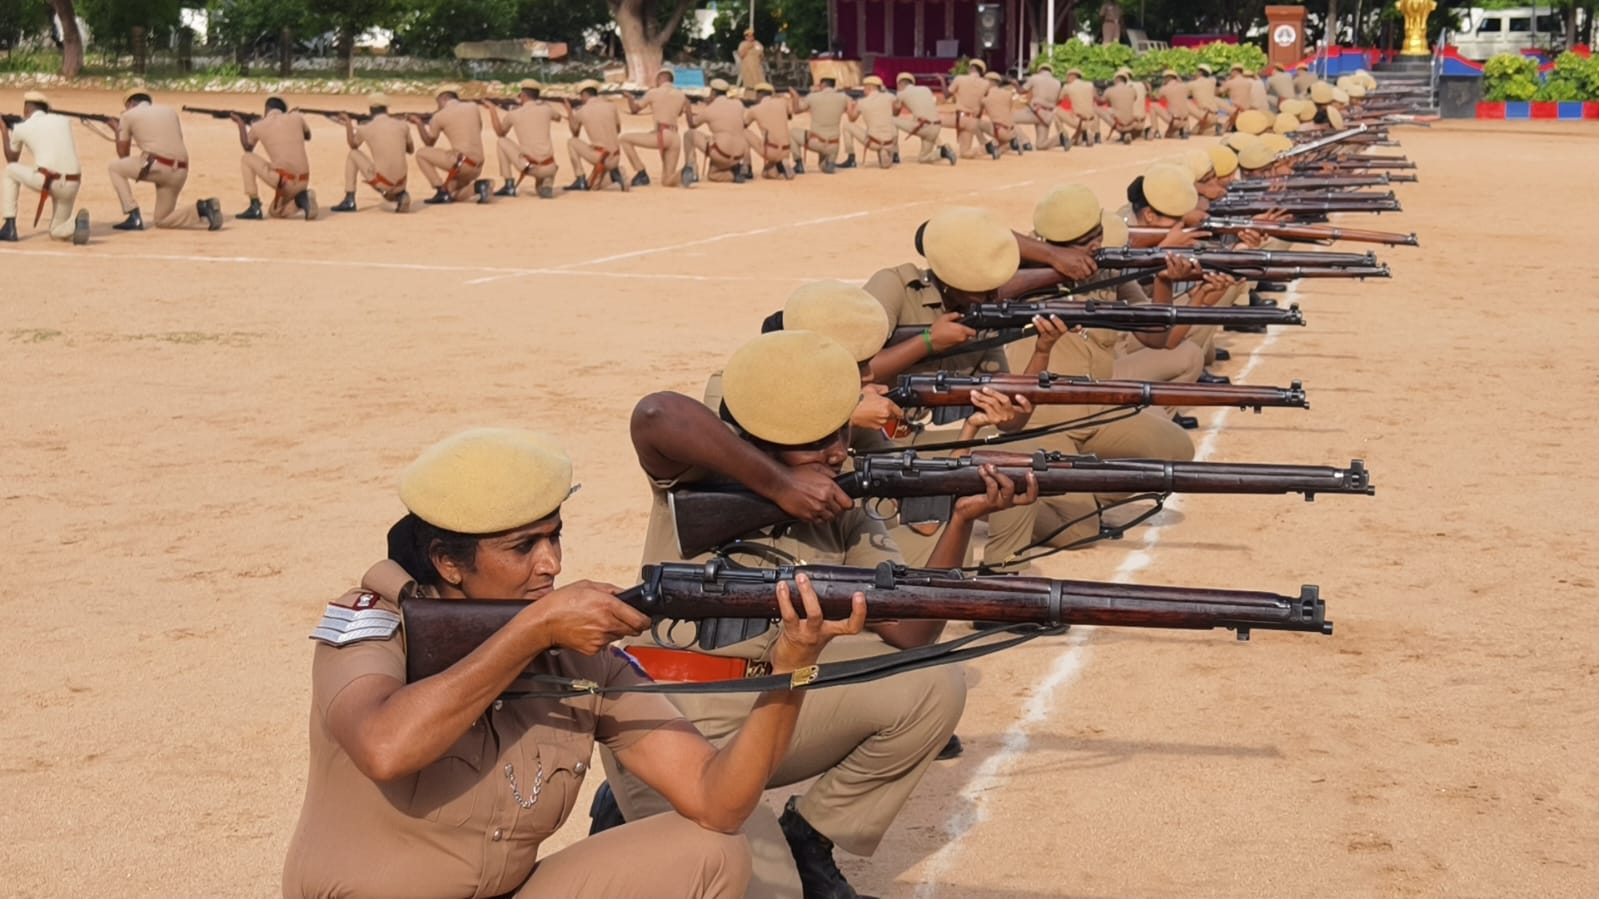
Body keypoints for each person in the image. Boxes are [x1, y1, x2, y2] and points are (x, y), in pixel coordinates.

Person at [280, 427, 872, 898]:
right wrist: (530, 631)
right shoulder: (373, 623)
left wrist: (792, 664)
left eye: (554, 536)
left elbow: (718, 802)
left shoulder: (575, 651)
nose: (552, 564)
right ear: (447, 561)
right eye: (523, 547)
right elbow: (386, 746)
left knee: (714, 853)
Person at [604, 329, 1033, 899]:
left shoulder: (841, 502)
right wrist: (777, 484)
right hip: (676, 717)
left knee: (932, 681)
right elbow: (656, 414)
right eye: (814, 442)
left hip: (771, 706)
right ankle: (630, 806)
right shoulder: (700, 475)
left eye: (838, 433)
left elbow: (911, 633)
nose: (837, 451)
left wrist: (958, 520)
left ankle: (811, 836)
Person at [861, 207, 1069, 570]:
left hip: (923, 441)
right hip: (867, 441)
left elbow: (1012, 421)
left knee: (1017, 459)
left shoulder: (983, 314)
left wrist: (1042, 350)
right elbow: (849, 370)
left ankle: (1005, 574)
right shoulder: (894, 287)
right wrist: (927, 342)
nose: (990, 294)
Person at [107, 91, 222, 232]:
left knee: (114, 168)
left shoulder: (128, 115)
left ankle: (133, 215)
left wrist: (117, 130)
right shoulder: (170, 112)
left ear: (131, 103)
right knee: (162, 220)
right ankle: (202, 208)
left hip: (158, 166)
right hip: (181, 169)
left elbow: (123, 155)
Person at [1, 90, 88, 244]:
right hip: (73, 182)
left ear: (26, 109)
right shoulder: (63, 121)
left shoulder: (21, 128)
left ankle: (9, 226)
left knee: (9, 171)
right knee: (56, 231)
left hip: (48, 180)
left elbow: (11, 159)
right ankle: (74, 224)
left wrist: (4, 129)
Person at [234, 96, 315, 221]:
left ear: (267, 109)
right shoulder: (297, 118)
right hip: (304, 181)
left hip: (285, 181)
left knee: (247, 158)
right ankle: (301, 199)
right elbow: (308, 136)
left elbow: (247, 147)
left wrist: (240, 124)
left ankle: (254, 205)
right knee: (274, 211)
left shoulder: (259, 125)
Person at [330, 93, 413, 213]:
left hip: (383, 182)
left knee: (353, 154)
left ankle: (349, 200)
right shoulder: (402, 125)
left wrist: (348, 124)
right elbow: (410, 150)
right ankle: (400, 194)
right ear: (386, 108)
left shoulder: (366, 128)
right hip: (401, 182)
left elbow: (353, 145)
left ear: (370, 109)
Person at [410, 84, 491, 205]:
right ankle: (479, 186)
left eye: (438, 103)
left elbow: (429, 143)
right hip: (477, 166)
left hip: (461, 164)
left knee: (421, 154)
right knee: (452, 194)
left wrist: (419, 123)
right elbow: (477, 128)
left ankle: (440, 190)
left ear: (443, 99)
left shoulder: (439, 116)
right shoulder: (473, 107)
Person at [483, 80, 563, 198]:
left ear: (524, 95)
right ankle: (547, 179)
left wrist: (492, 110)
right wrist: (543, 104)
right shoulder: (546, 109)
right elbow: (559, 117)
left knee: (501, 142)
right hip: (550, 166)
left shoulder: (514, 114)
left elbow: (500, 133)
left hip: (531, 166)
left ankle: (509, 184)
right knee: (540, 186)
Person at [621, 69, 687, 188]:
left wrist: (630, 99)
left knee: (624, 139)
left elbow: (635, 109)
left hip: (662, 134)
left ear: (661, 78)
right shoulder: (681, 94)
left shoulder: (654, 92)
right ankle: (687, 170)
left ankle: (641, 172)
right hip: (675, 137)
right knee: (667, 180)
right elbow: (679, 113)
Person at [564, 82, 629, 192]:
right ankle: (615, 174)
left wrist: (569, 112)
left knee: (572, 142)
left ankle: (580, 178)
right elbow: (617, 130)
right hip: (616, 156)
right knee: (593, 186)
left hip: (601, 157)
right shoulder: (611, 106)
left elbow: (575, 133)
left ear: (585, 95)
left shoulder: (582, 111)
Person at [685, 79, 752, 184]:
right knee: (713, 173)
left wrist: (687, 108)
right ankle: (737, 168)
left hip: (722, 153)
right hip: (739, 154)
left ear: (713, 93)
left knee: (689, 135)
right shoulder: (738, 104)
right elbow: (743, 123)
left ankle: (692, 170)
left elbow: (692, 125)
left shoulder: (710, 109)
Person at [789, 77, 854, 174]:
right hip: (834, 145)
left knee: (792, 133)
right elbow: (852, 116)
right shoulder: (844, 97)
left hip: (816, 141)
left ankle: (798, 164)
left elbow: (796, 110)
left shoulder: (813, 97)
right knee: (822, 166)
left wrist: (795, 97)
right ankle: (830, 160)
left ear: (823, 85)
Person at [892, 72, 956, 165]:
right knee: (923, 158)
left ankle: (894, 154)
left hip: (923, 127)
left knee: (890, 120)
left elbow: (895, 114)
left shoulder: (901, 93)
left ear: (899, 84)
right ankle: (942, 151)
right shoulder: (926, 89)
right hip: (936, 127)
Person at [942, 58, 1001, 160]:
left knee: (933, 120)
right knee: (965, 153)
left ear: (970, 68)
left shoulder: (960, 79)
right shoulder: (986, 84)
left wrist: (941, 80)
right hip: (972, 120)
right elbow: (984, 104)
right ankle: (987, 148)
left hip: (959, 118)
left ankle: (939, 149)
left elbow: (947, 95)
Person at [843, 75, 898, 168]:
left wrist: (848, 105)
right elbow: (896, 110)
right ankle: (892, 152)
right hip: (891, 141)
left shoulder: (861, 102)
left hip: (873, 142)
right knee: (892, 122)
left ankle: (850, 158)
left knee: (847, 126)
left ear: (868, 88)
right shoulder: (890, 97)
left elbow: (852, 119)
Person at [744, 83, 795, 179]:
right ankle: (780, 165)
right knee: (766, 173)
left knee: (743, 133)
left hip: (771, 150)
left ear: (759, 95)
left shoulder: (754, 109)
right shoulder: (782, 102)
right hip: (786, 150)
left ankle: (747, 168)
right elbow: (789, 116)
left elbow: (743, 125)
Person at [1015, 62, 1069, 150]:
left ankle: (1025, 141)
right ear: (1051, 72)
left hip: (1035, 112)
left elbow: (1021, 91)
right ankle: (1059, 139)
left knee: (1009, 119)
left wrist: (1015, 84)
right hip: (1047, 116)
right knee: (1041, 145)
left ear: (1040, 70)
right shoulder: (1057, 83)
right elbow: (1058, 100)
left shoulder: (1035, 78)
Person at [977, 71, 1026, 154]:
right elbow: (1009, 111)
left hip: (998, 131)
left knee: (973, 122)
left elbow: (977, 115)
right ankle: (1011, 143)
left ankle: (989, 145)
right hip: (1012, 131)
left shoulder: (985, 99)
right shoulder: (1008, 94)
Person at [1099, 68, 1145, 143]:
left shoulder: (1113, 89)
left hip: (1123, 124)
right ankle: (1137, 133)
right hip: (1138, 122)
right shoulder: (1140, 85)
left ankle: (1095, 135)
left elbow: (1101, 102)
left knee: (1105, 110)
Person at [1060, 66, 1101, 146]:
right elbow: (1098, 99)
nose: (1067, 79)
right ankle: (1096, 135)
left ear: (1072, 76)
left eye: (1067, 77)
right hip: (1092, 120)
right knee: (1095, 109)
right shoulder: (1090, 85)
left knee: (1056, 112)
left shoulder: (1067, 87)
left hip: (1078, 120)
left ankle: (1062, 136)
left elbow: (1058, 101)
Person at [1151, 68, 1195, 139]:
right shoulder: (1185, 86)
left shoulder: (1164, 88)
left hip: (1174, 120)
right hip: (1185, 121)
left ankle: (1156, 132)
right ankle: (1183, 130)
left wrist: (1149, 92)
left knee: (1153, 106)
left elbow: (1155, 99)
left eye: (1164, 78)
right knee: (1169, 133)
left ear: (1168, 78)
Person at [1189, 63, 1222, 135]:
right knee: (1195, 132)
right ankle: (1213, 128)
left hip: (1205, 115)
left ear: (1200, 72)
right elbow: (1218, 84)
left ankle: (1184, 126)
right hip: (1215, 115)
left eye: (1196, 72)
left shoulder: (1192, 84)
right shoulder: (1212, 81)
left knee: (1184, 102)